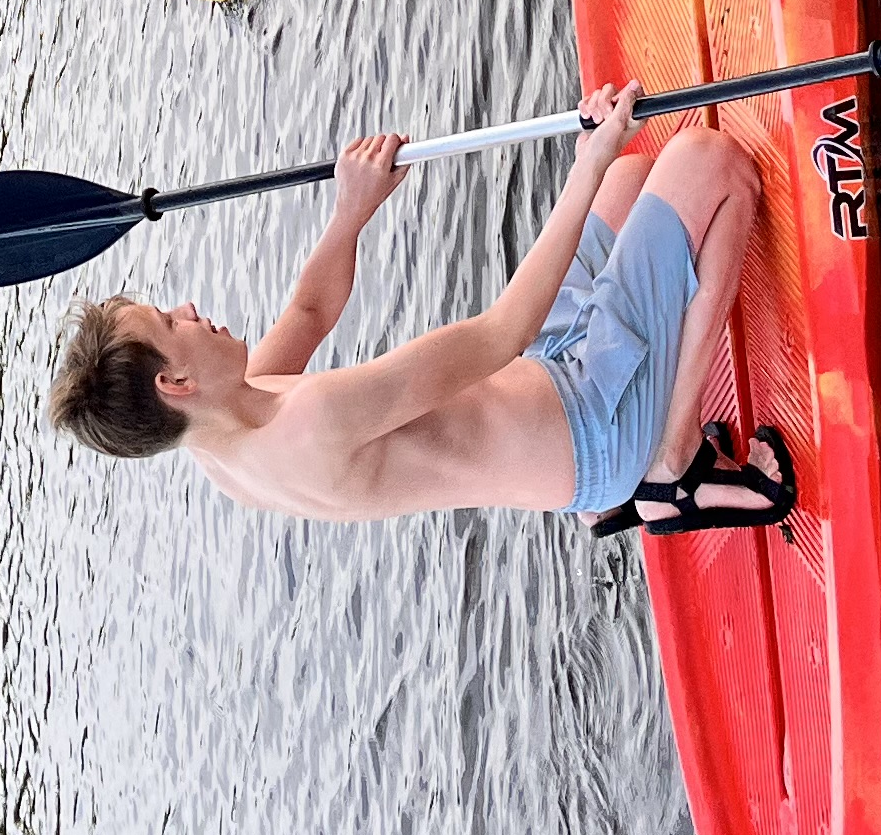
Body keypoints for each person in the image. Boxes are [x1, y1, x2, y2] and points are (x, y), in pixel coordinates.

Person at [46, 82, 789, 530]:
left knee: (629, 181)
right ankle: (672, 462)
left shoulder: (220, 437)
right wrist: (583, 162)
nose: (187, 309)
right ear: (174, 383)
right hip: (594, 430)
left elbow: (307, 315)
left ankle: (648, 463)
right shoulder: (312, 422)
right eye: (171, 325)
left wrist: (352, 210)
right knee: (706, 162)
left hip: (547, 377)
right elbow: (503, 330)